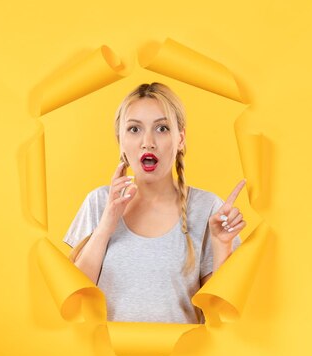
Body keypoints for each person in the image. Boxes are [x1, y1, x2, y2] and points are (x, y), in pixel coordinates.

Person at [62, 82, 245, 324]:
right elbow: (75, 301)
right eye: (134, 129)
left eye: (161, 128)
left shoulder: (207, 208)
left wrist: (222, 245)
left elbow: (217, 317)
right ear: (120, 140)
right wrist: (108, 221)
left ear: (180, 139)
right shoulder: (98, 202)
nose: (148, 142)